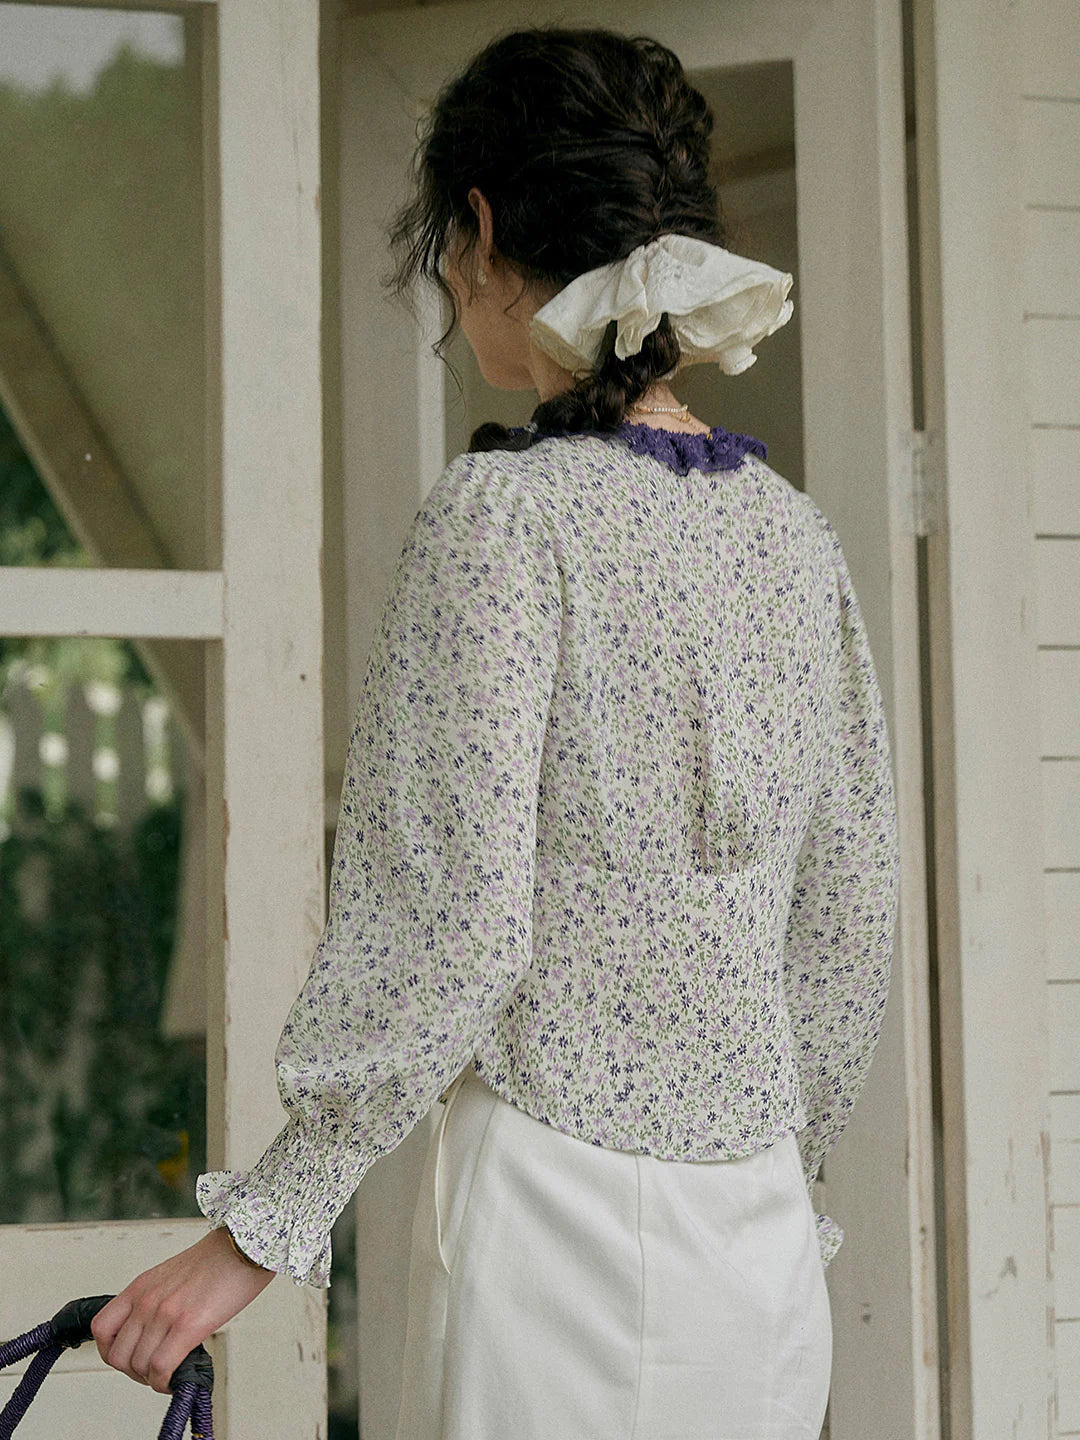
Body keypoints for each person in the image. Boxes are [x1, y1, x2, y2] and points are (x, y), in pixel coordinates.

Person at [92, 24, 900, 1438]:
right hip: (768, 1244)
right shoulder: (796, 538)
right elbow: (846, 919)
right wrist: (783, 1173)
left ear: (477, 231)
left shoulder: (505, 519)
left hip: (566, 1233)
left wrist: (263, 1224)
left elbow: (453, 923)